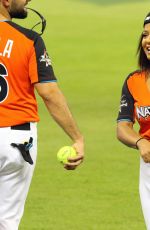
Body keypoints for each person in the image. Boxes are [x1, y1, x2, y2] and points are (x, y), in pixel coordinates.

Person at [0, 0, 84, 229]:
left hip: (15, 142)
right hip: (15, 142)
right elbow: (49, 93)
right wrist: (77, 137)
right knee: (6, 222)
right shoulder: (28, 39)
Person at [117, 12, 150, 230]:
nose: (148, 41)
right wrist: (140, 142)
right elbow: (123, 127)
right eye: (145, 35)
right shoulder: (134, 81)